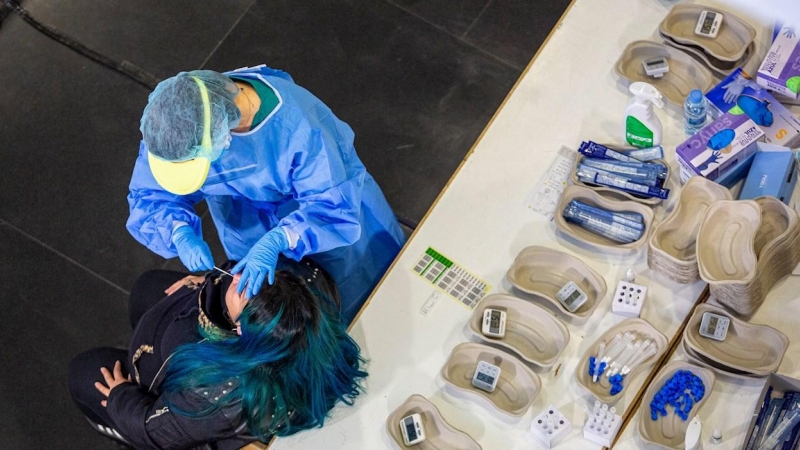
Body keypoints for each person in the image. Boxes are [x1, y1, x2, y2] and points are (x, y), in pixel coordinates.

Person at [127, 65, 405, 323]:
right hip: (244, 226)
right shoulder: (177, 122)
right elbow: (151, 194)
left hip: (333, 230)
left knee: (367, 299)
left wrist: (280, 239)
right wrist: (177, 231)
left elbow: (332, 207)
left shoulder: (298, 129)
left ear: (223, 132)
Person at [68, 258, 367, 449]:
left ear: (242, 334)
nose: (237, 278)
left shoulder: (222, 396)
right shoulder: (305, 308)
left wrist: (121, 396)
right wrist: (209, 281)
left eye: (243, 292)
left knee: (84, 373)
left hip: (180, 418)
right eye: (257, 276)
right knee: (147, 287)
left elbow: (156, 431)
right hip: (185, 364)